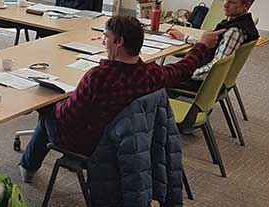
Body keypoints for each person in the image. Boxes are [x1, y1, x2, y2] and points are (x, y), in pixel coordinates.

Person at [19, 15, 223, 183]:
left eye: (106, 37)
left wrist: (44, 105)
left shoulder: (98, 77)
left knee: (48, 113)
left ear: (119, 42)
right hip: (123, 143)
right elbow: (182, 69)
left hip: (89, 143)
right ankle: (29, 166)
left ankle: (28, 167)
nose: (103, 41)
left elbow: (66, 117)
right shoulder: (151, 75)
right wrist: (202, 45)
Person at [167, 0, 259, 93]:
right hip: (211, 78)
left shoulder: (234, 31)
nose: (225, 5)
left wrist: (189, 72)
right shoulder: (242, 23)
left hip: (203, 83)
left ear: (246, 6)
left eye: (232, 2)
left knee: (159, 79)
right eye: (226, 0)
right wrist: (184, 37)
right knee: (168, 70)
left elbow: (217, 67)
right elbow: (214, 43)